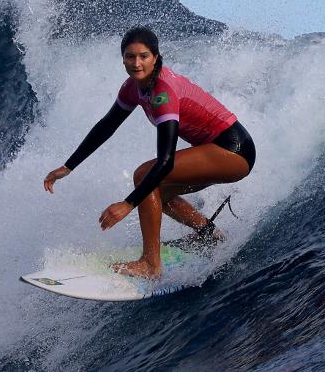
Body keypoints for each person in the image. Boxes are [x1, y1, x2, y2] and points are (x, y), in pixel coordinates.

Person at [43, 26, 256, 279]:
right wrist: (68, 166)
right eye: (130, 57)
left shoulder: (162, 92)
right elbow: (107, 125)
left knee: (146, 176)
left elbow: (165, 161)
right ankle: (209, 234)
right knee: (155, 195)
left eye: (143, 56)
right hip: (220, 151)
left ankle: (150, 265)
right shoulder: (132, 88)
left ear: (155, 57)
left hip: (234, 150)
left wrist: (127, 204)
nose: (136, 63)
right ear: (122, 59)